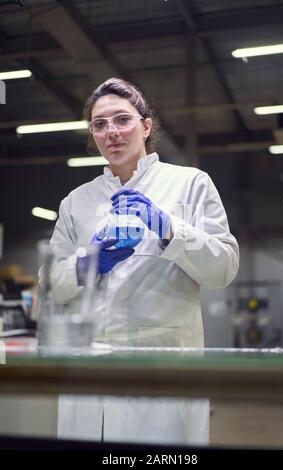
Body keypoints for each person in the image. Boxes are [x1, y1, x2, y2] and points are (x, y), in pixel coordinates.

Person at [39, 77, 239, 445]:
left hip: (162, 371)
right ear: (93, 136)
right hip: (89, 374)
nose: (111, 132)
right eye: (99, 124)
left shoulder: (190, 184)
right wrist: (87, 265)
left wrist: (169, 229)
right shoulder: (76, 202)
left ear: (146, 126)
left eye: (122, 119)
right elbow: (49, 286)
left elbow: (224, 267)